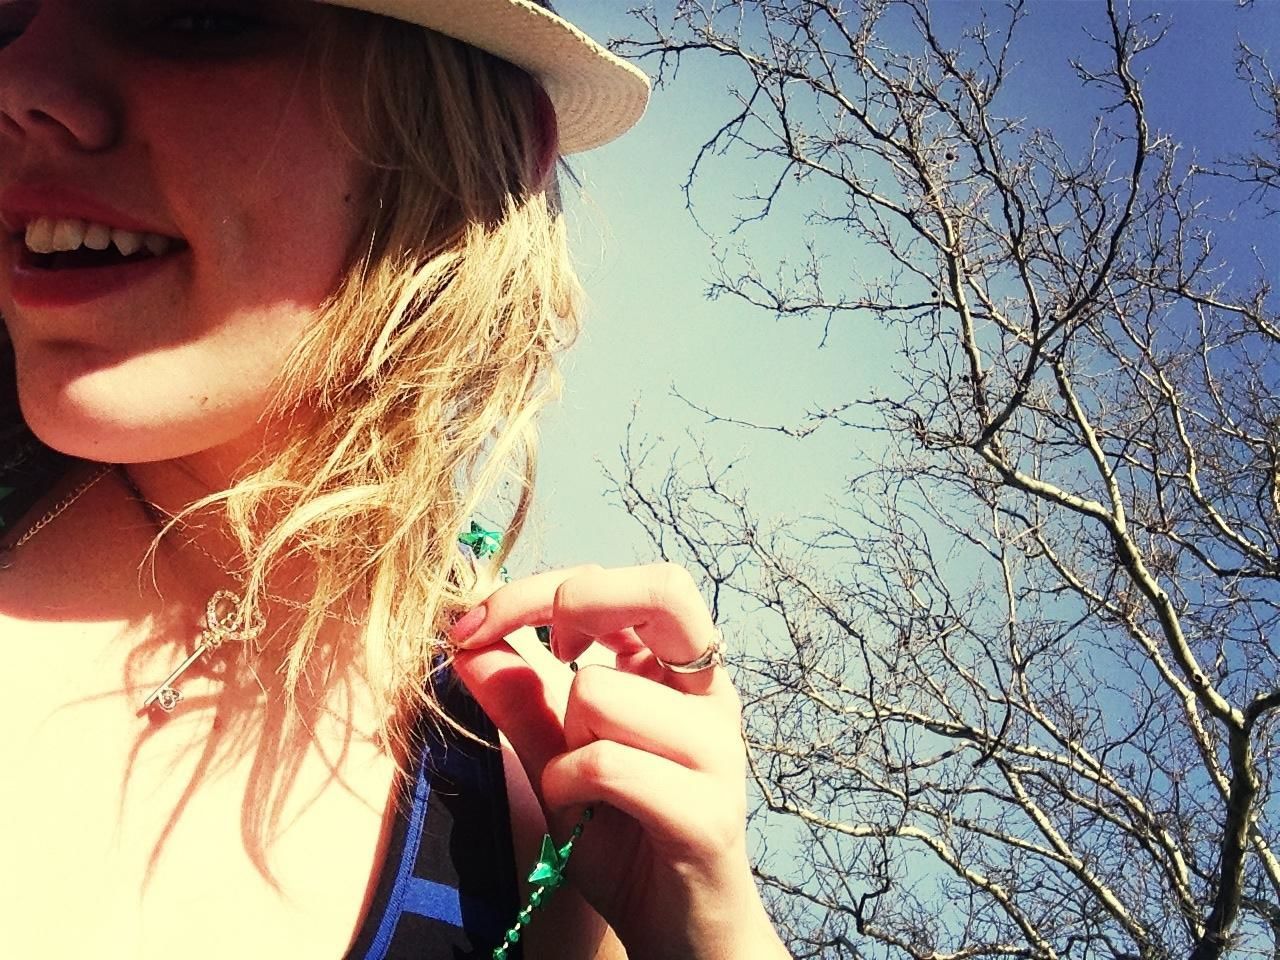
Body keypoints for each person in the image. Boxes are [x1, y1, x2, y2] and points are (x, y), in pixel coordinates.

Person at [0, 2, 791, 958]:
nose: (19, 84)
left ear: (463, 146)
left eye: (186, 12)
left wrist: (711, 931)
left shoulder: (539, 805)